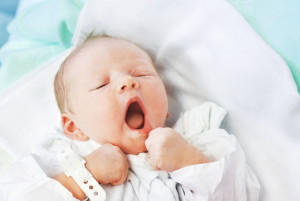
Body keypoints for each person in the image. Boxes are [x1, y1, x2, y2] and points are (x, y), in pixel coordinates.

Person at [0, 36, 260, 201]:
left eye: (142, 74)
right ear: (74, 127)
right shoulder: (61, 157)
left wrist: (188, 160)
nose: (127, 81)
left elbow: (240, 194)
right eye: (101, 85)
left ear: (166, 107)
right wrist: (84, 176)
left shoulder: (197, 137)